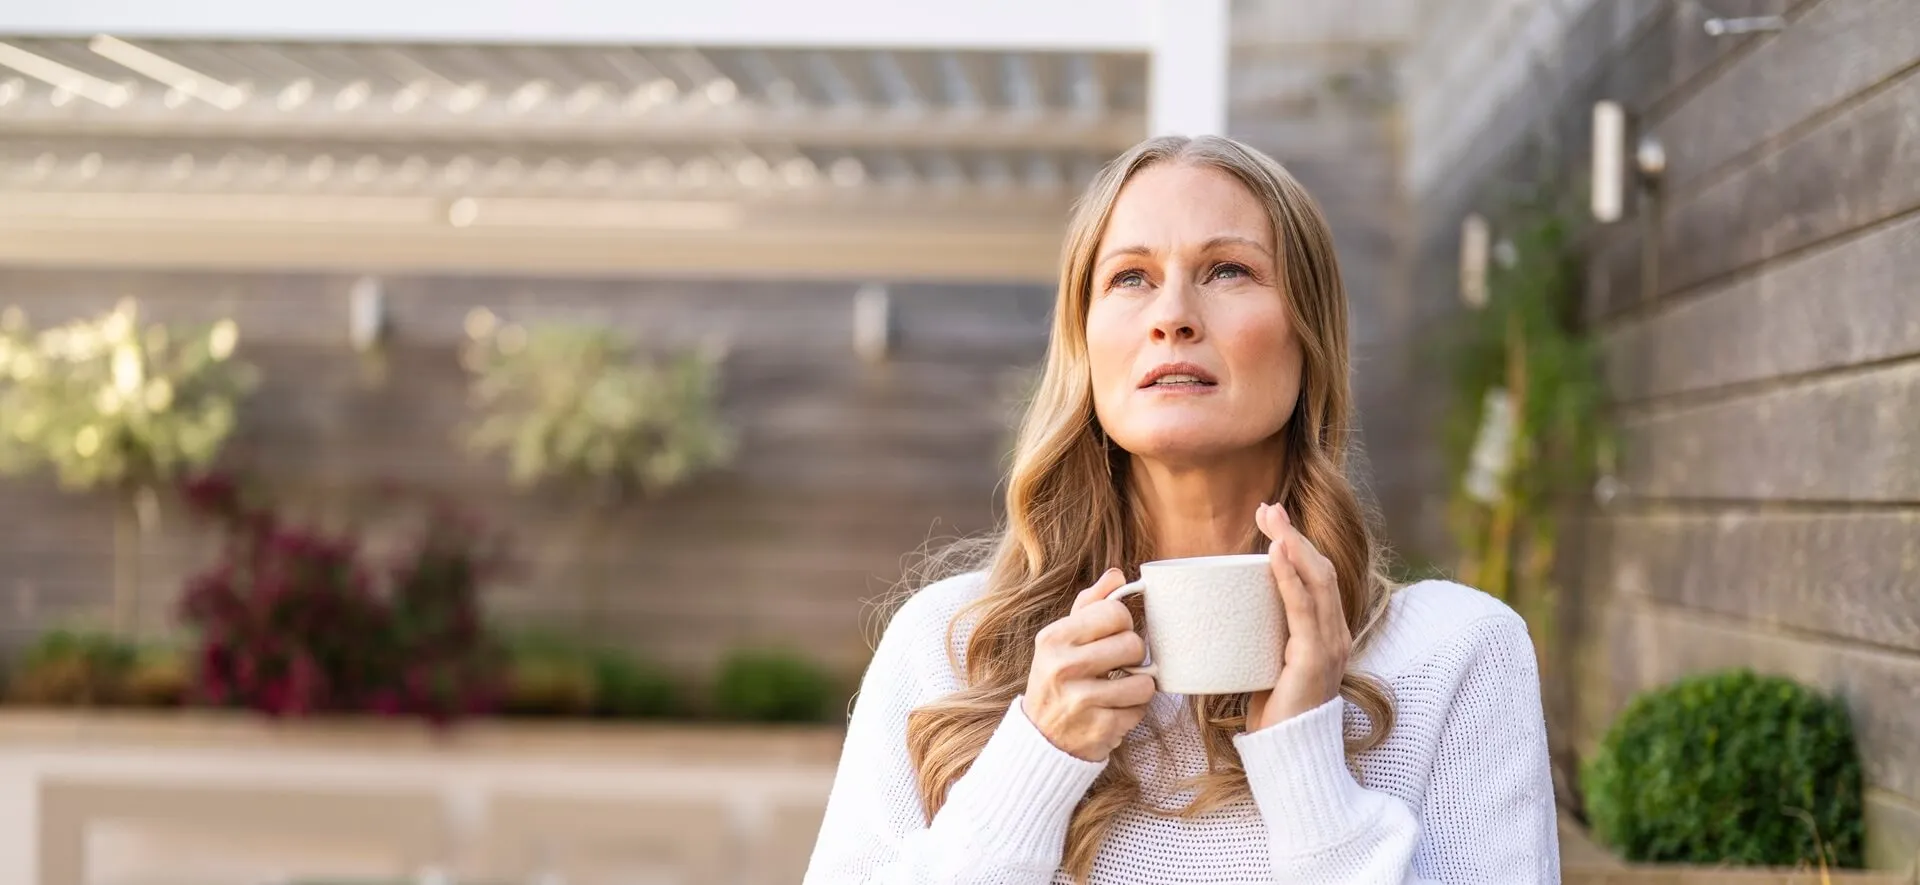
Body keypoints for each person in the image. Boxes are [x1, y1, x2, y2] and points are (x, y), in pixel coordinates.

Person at [802, 135, 1559, 884]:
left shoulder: (1456, 655)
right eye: (1130, 277)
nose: (1173, 315)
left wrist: (1306, 768)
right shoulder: (950, 645)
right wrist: (1035, 758)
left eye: (1228, 270)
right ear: (1085, 340)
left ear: (1309, 333)